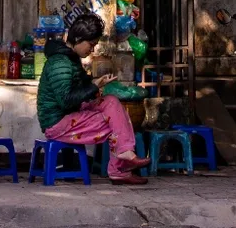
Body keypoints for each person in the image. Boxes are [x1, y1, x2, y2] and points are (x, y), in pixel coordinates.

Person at [36, 12, 151, 184]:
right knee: (114, 121)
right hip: (57, 123)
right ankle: (119, 169)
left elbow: (80, 88)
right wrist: (93, 86)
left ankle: (124, 154)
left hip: (69, 116)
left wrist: (95, 84)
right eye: (91, 44)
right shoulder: (60, 63)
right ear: (79, 38)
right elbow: (66, 100)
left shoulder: (70, 59)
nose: (92, 49)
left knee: (111, 102)